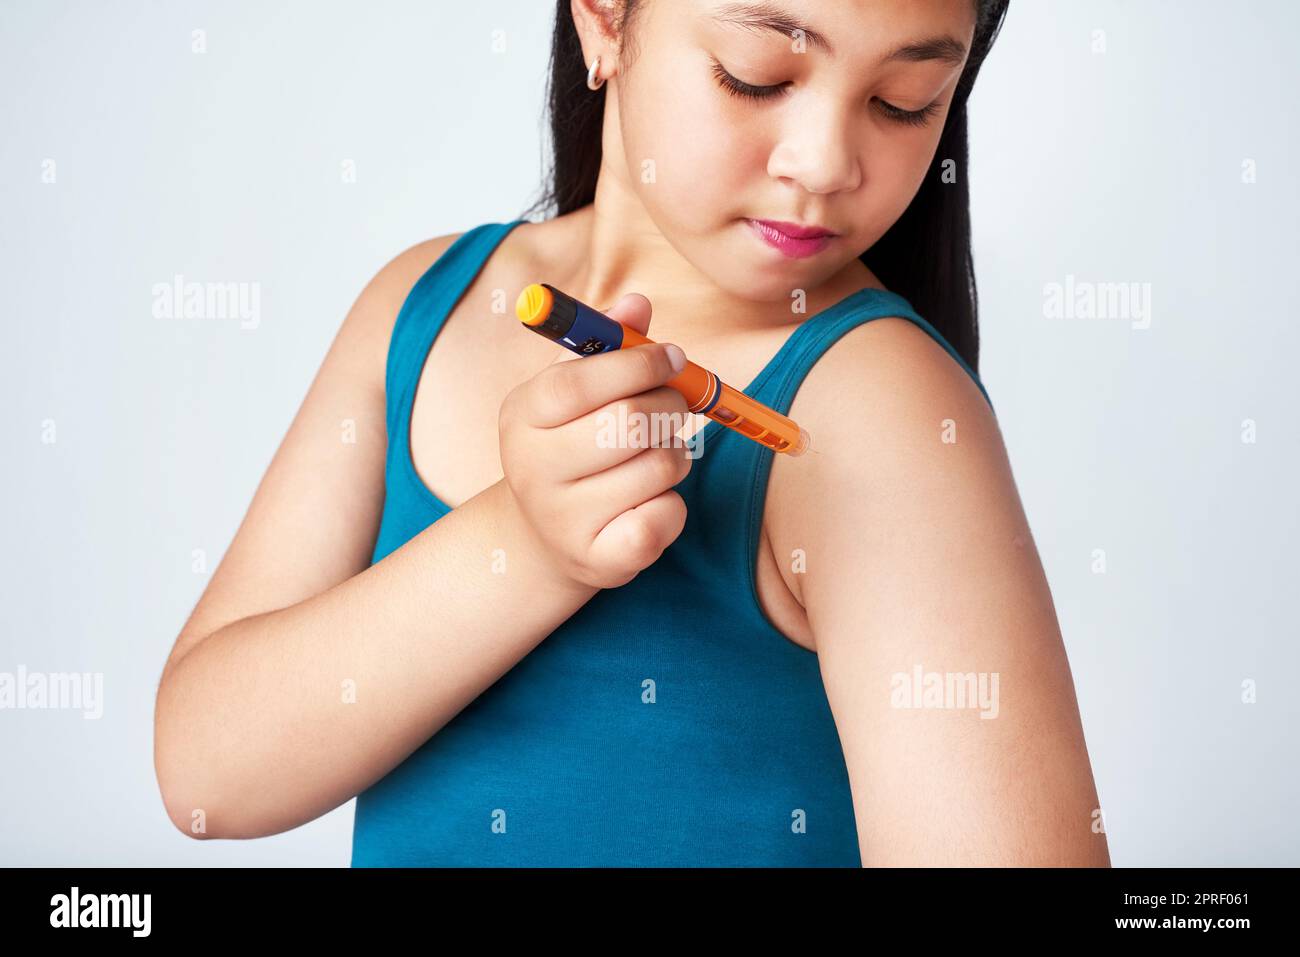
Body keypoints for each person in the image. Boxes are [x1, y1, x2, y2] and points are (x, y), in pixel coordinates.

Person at [155, 0, 1111, 866]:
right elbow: (206, 776)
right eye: (758, 75)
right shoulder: (420, 304)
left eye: (905, 100)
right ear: (605, 20)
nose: (824, 162)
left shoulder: (874, 405)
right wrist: (524, 547)